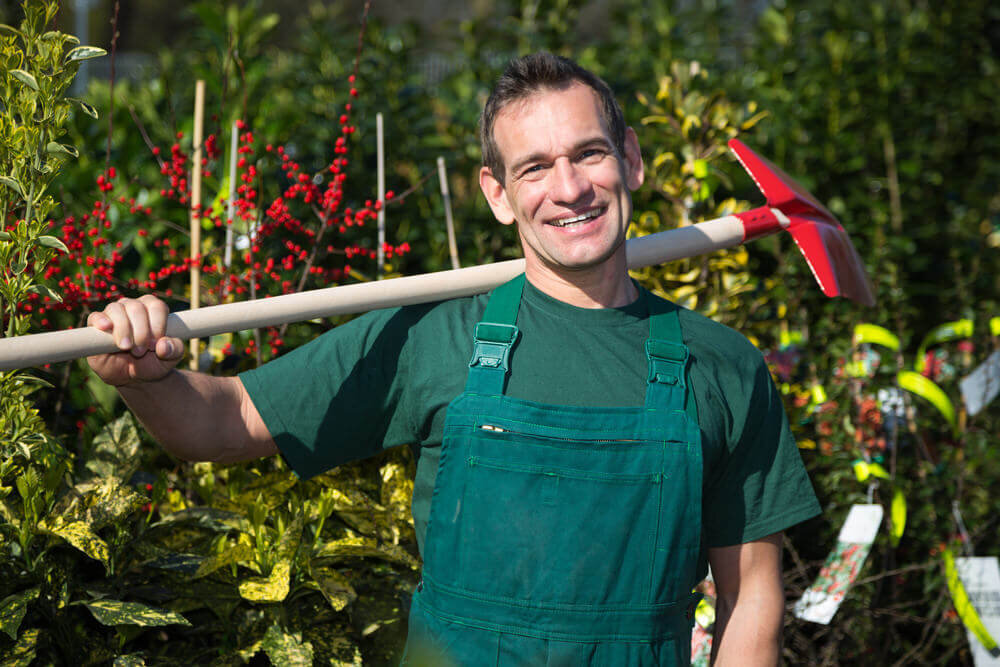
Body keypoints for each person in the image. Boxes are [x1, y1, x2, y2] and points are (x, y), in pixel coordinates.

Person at [88, 52, 820, 665]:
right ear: (498, 195)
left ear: (629, 159)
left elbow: (751, 591)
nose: (568, 189)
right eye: (534, 168)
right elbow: (220, 422)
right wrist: (145, 375)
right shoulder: (434, 338)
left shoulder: (720, 367)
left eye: (589, 153)